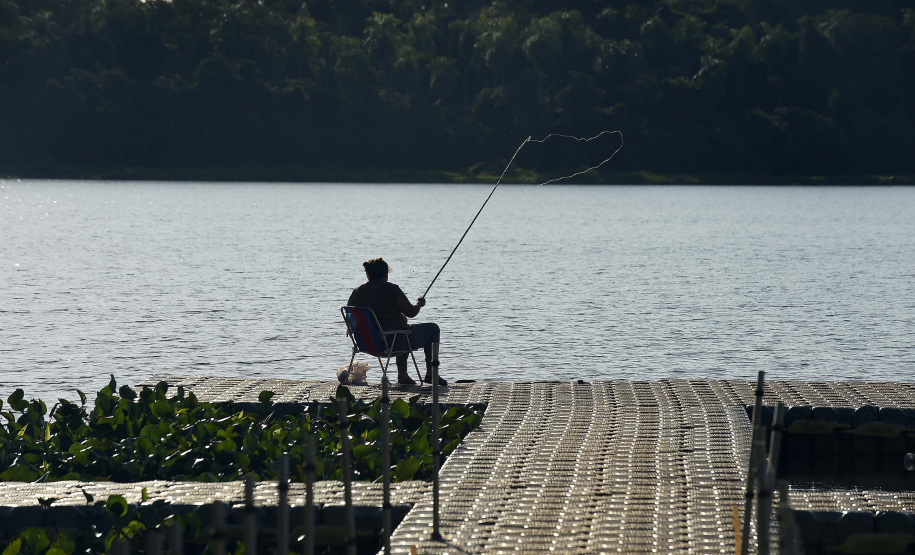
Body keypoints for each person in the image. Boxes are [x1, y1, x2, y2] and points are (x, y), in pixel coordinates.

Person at [347, 257, 446, 386]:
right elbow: (411, 312)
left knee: (402, 327)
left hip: (367, 344)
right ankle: (431, 373)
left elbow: (350, 318)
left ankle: (403, 375)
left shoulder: (357, 292)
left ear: (368, 274)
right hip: (390, 344)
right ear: (386, 274)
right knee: (432, 329)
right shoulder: (391, 289)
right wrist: (419, 304)